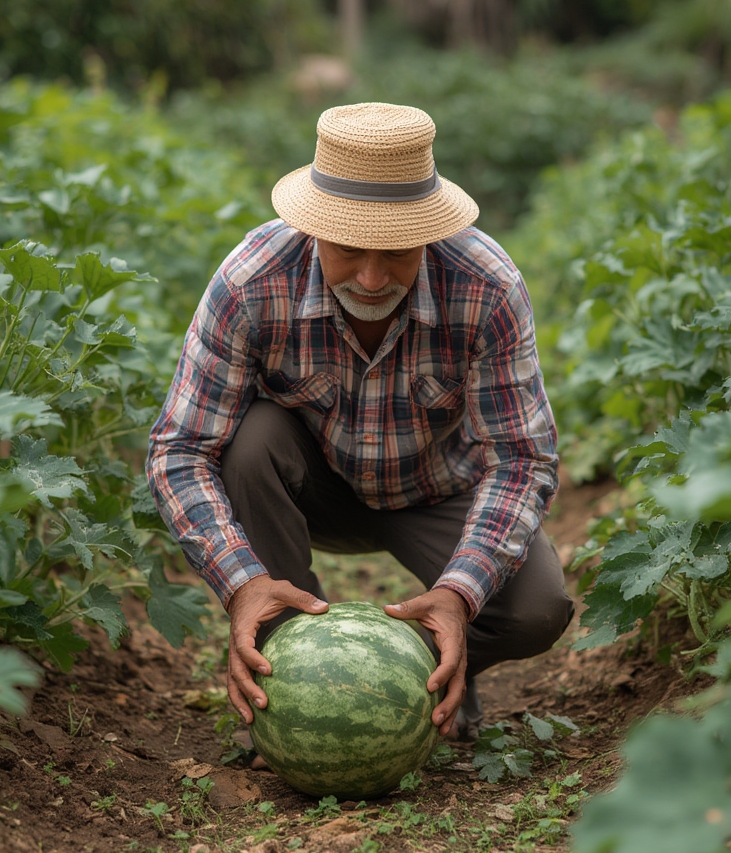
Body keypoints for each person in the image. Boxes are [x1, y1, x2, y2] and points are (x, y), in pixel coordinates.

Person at [146, 101, 574, 745]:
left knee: (536, 611)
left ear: (428, 234)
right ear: (313, 229)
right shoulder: (252, 281)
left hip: (438, 490)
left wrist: (459, 593)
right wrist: (242, 584)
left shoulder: (485, 287)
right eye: (349, 251)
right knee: (249, 441)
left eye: (398, 253)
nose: (372, 278)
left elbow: (521, 458)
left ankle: (414, 668)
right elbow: (179, 450)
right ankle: (287, 675)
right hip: (311, 485)